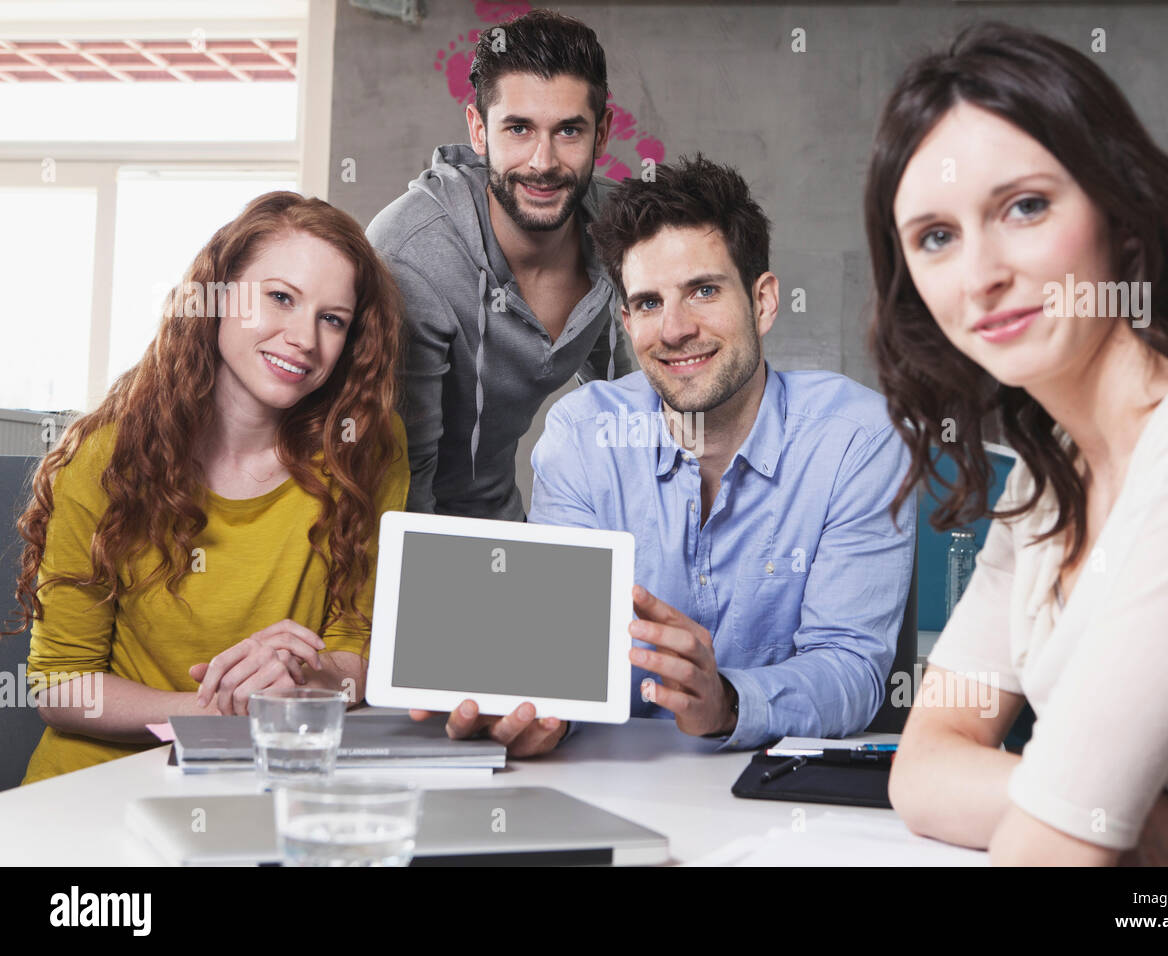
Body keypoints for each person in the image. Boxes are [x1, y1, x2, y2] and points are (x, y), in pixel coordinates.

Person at [867, 22, 1168, 866]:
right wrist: (1153, 828)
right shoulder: (1043, 474)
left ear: (1120, 211)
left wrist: (1081, 815)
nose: (981, 273)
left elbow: (1053, 847)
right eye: (936, 237)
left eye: (1024, 206)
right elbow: (922, 767)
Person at [426, 155, 917, 755]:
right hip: (608, 787)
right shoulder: (583, 437)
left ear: (762, 302)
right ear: (627, 321)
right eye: (650, 303)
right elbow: (559, 655)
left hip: (776, 805)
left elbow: (851, 668)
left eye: (704, 291)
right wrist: (536, 713)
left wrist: (728, 700)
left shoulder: (858, 441)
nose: (676, 329)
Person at [8, 191, 410, 783]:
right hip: (99, 785)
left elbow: (360, 649)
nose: (304, 337)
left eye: (332, 319)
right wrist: (224, 708)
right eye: (280, 298)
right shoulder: (106, 455)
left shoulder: (366, 446)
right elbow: (60, 685)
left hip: (277, 778)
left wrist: (308, 677)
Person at [366, 9, 633, 522]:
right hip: (379, 527)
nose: (542, 162)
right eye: (518, 128)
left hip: (496, 517)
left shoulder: (620, 232)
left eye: (569, 132)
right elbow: (402, 473)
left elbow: (626, 401)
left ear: (601, 135)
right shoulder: (413, 255)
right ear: (478, 130)